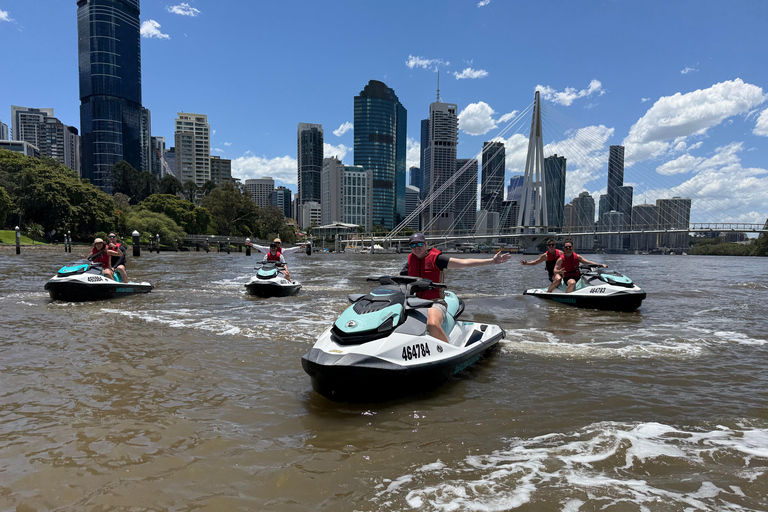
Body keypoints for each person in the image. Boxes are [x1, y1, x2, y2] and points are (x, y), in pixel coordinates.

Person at [399, 233, 511, 343]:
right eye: (413, 245)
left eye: (419, 244)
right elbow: (399, 278)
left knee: (432, 324)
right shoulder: (410, 261)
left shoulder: (437, 259)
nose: (416, 247)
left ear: (425, 244)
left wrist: (492, 261)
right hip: (415, 302)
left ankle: (447, 351)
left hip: (435, 302)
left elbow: (464, 262)